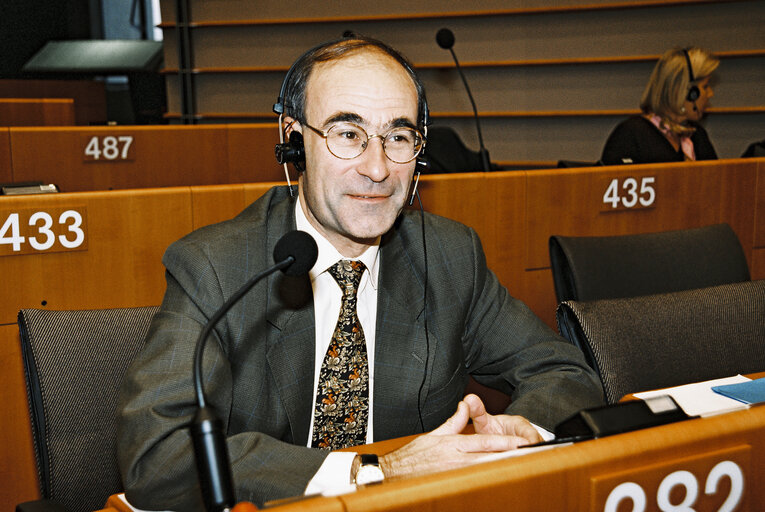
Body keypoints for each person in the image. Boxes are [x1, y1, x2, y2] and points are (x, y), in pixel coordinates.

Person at [117, 36, 603, 510]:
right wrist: (372, 474)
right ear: (293, 142)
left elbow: (563, 371)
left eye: (398, 137)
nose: (378, 168)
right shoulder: (216, 267)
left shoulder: (450, 255)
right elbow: (157, 458)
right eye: (348, 135)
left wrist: (519, 430)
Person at [601, 47, 719, 165]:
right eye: (705, 87)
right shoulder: (631, 135)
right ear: (682, 91)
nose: (710, 94)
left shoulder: (698, 136)